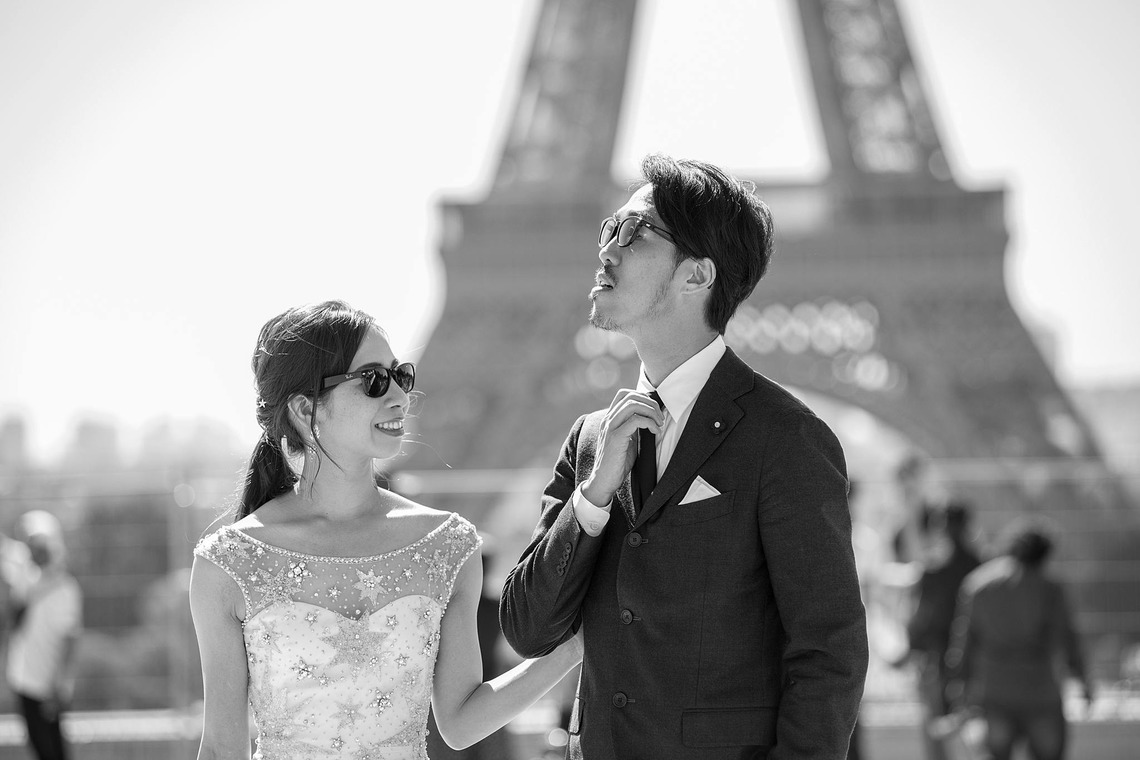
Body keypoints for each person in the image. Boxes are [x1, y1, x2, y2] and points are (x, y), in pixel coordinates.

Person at [500, 155, 868, 759]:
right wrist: (592, 497)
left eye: (634, 233)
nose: (607, 250)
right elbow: (527, 628)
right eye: (606, 231)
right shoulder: (591, 441)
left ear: (697, 275)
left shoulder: (786, 439)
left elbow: (830, 650)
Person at [190, 300, 582, 759]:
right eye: (373, 380)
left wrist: (573, 648)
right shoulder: (229, 563)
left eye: (402, 376)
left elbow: (459, 722)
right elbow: (220, 748)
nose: (399, 395)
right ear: (303, 407)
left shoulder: (447, 545)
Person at [945, 523, 1092, 760]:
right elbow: (1067, 638)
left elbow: (963, 643)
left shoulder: (978, 584)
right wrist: (1082, 679)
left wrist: (957, 687)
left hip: (995, 690)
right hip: (1041, 692)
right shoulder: (1049, 588)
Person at [905, 502, 981, 760]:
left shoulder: (933, 570)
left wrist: (910, 649)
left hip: (939, 660)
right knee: (974, 734)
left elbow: (921, 617)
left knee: (937, 732)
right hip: (976, 661)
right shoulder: (982, 566)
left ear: (941, 528)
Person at [4, 511, 82, 760]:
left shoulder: (66, 589)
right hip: (24, 679)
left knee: (53, 751)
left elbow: (70, 640)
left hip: (48, 686)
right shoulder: (26, 581)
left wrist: (62, 684)